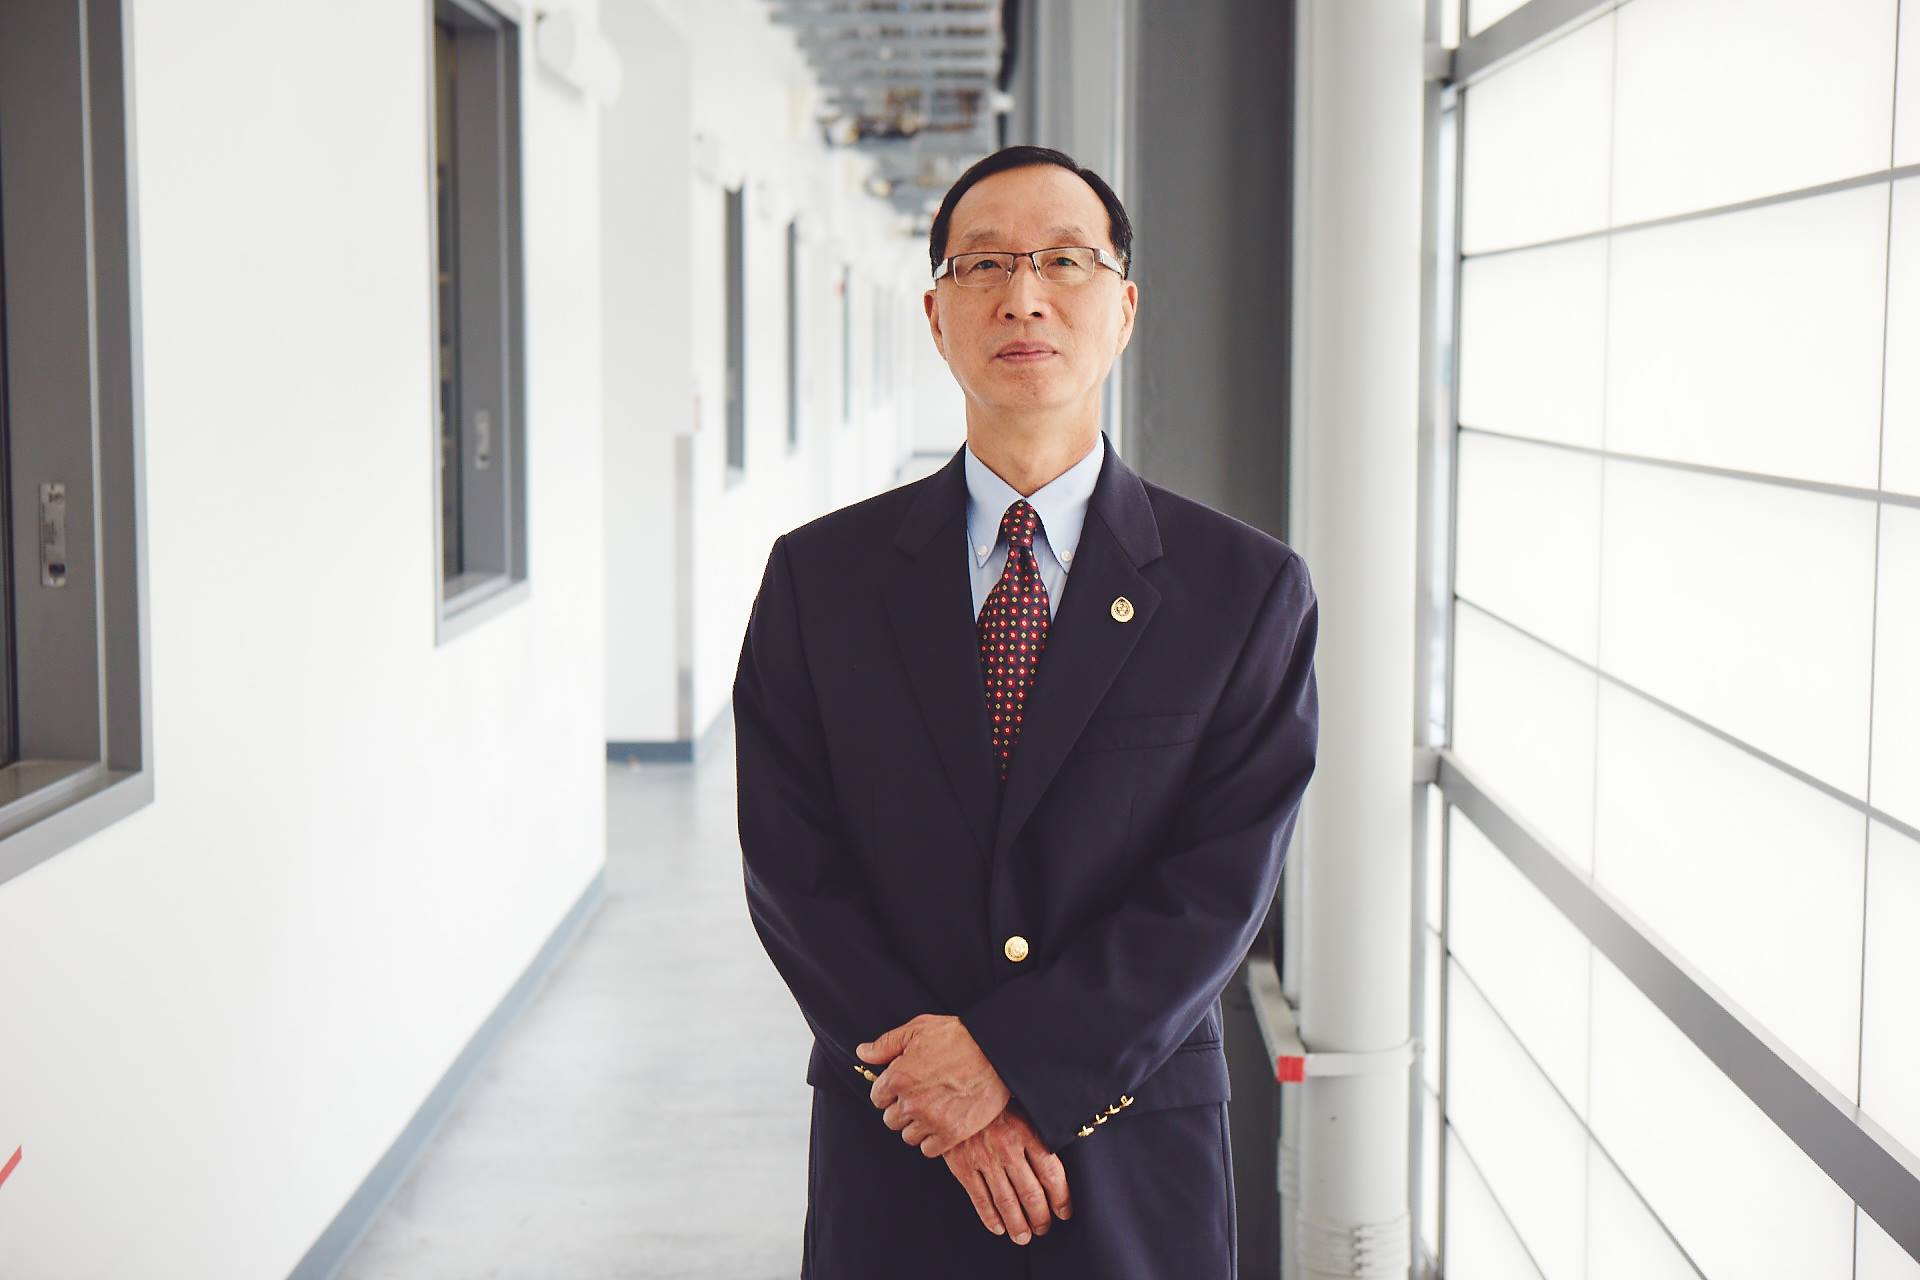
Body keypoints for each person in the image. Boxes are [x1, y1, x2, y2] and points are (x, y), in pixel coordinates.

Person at [733, 144, 1319, 1279]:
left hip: (1128, 1143)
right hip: (897, 1137)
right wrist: (943, 1096)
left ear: (1124, 307)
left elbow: (1219, 887)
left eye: (1064, 260)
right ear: (936, 315)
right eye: (985, 264)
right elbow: (792, 866)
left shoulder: (1244, 590)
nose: (1024, 296)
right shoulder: (821, 579)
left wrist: (1010, 1067)